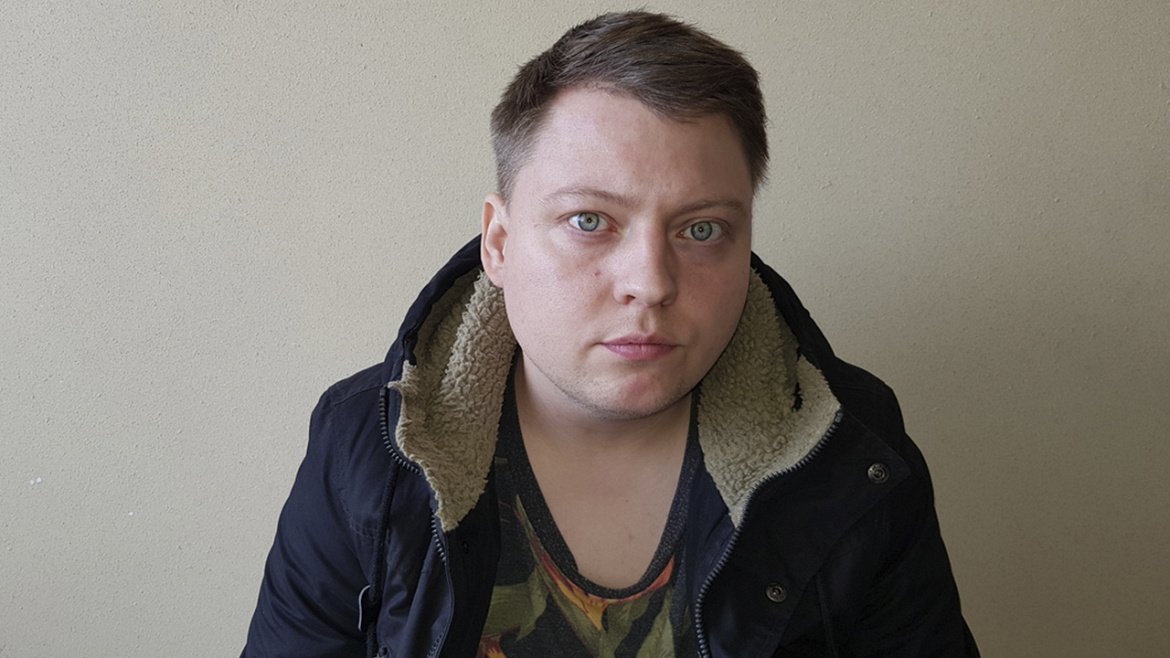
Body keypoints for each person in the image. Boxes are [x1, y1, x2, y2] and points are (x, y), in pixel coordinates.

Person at [242, 11, 979, 657]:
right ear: (499, 242)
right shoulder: (368, 447)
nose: (651, 282)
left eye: (701, 229)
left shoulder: (852, 450)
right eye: (589, 220)